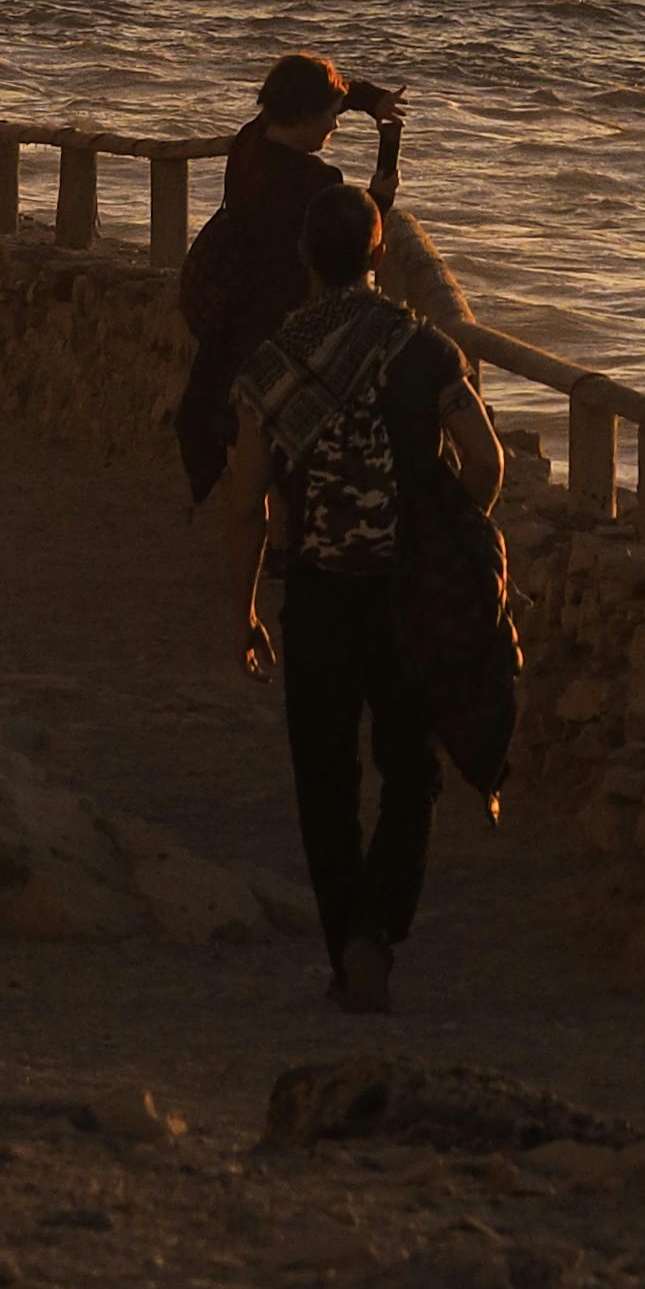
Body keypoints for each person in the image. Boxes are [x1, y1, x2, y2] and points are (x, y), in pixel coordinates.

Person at [219, 174, 501, 1016]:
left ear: (307, 256)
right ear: (380, 253)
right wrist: (451, 537)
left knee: (324, 775)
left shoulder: (274, 364)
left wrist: (241, 614)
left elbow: (245, 503)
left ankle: (347, 949)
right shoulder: (424, 349)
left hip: (319, 593)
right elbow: (484, 462)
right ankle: (381, 927)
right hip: (408, 592)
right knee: (410, 771)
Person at [174, 50, 406, 499]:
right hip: (280, 326)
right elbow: (343, 246)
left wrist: (367, 99)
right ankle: (279, 541)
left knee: (247, 449)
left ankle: (250, 527)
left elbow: (302, 91)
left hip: (235, 309)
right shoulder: (315, 184)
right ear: (304, 115)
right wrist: (379, 201)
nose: (335, 125)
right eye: (330, 115)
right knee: (285, 458)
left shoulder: (249, 143)